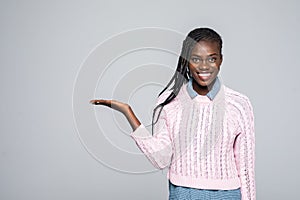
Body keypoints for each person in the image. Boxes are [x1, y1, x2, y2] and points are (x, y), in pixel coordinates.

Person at [90, 28, 255, 200]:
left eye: (212, 59)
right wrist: (127, 112)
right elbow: (161, 158)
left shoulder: (239, 104)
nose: (204, 66)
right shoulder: (171, 102)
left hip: (228, 195)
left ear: (221, 60)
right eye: (196, 59)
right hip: (183, 193)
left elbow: (246, 168)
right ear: (186, 61)